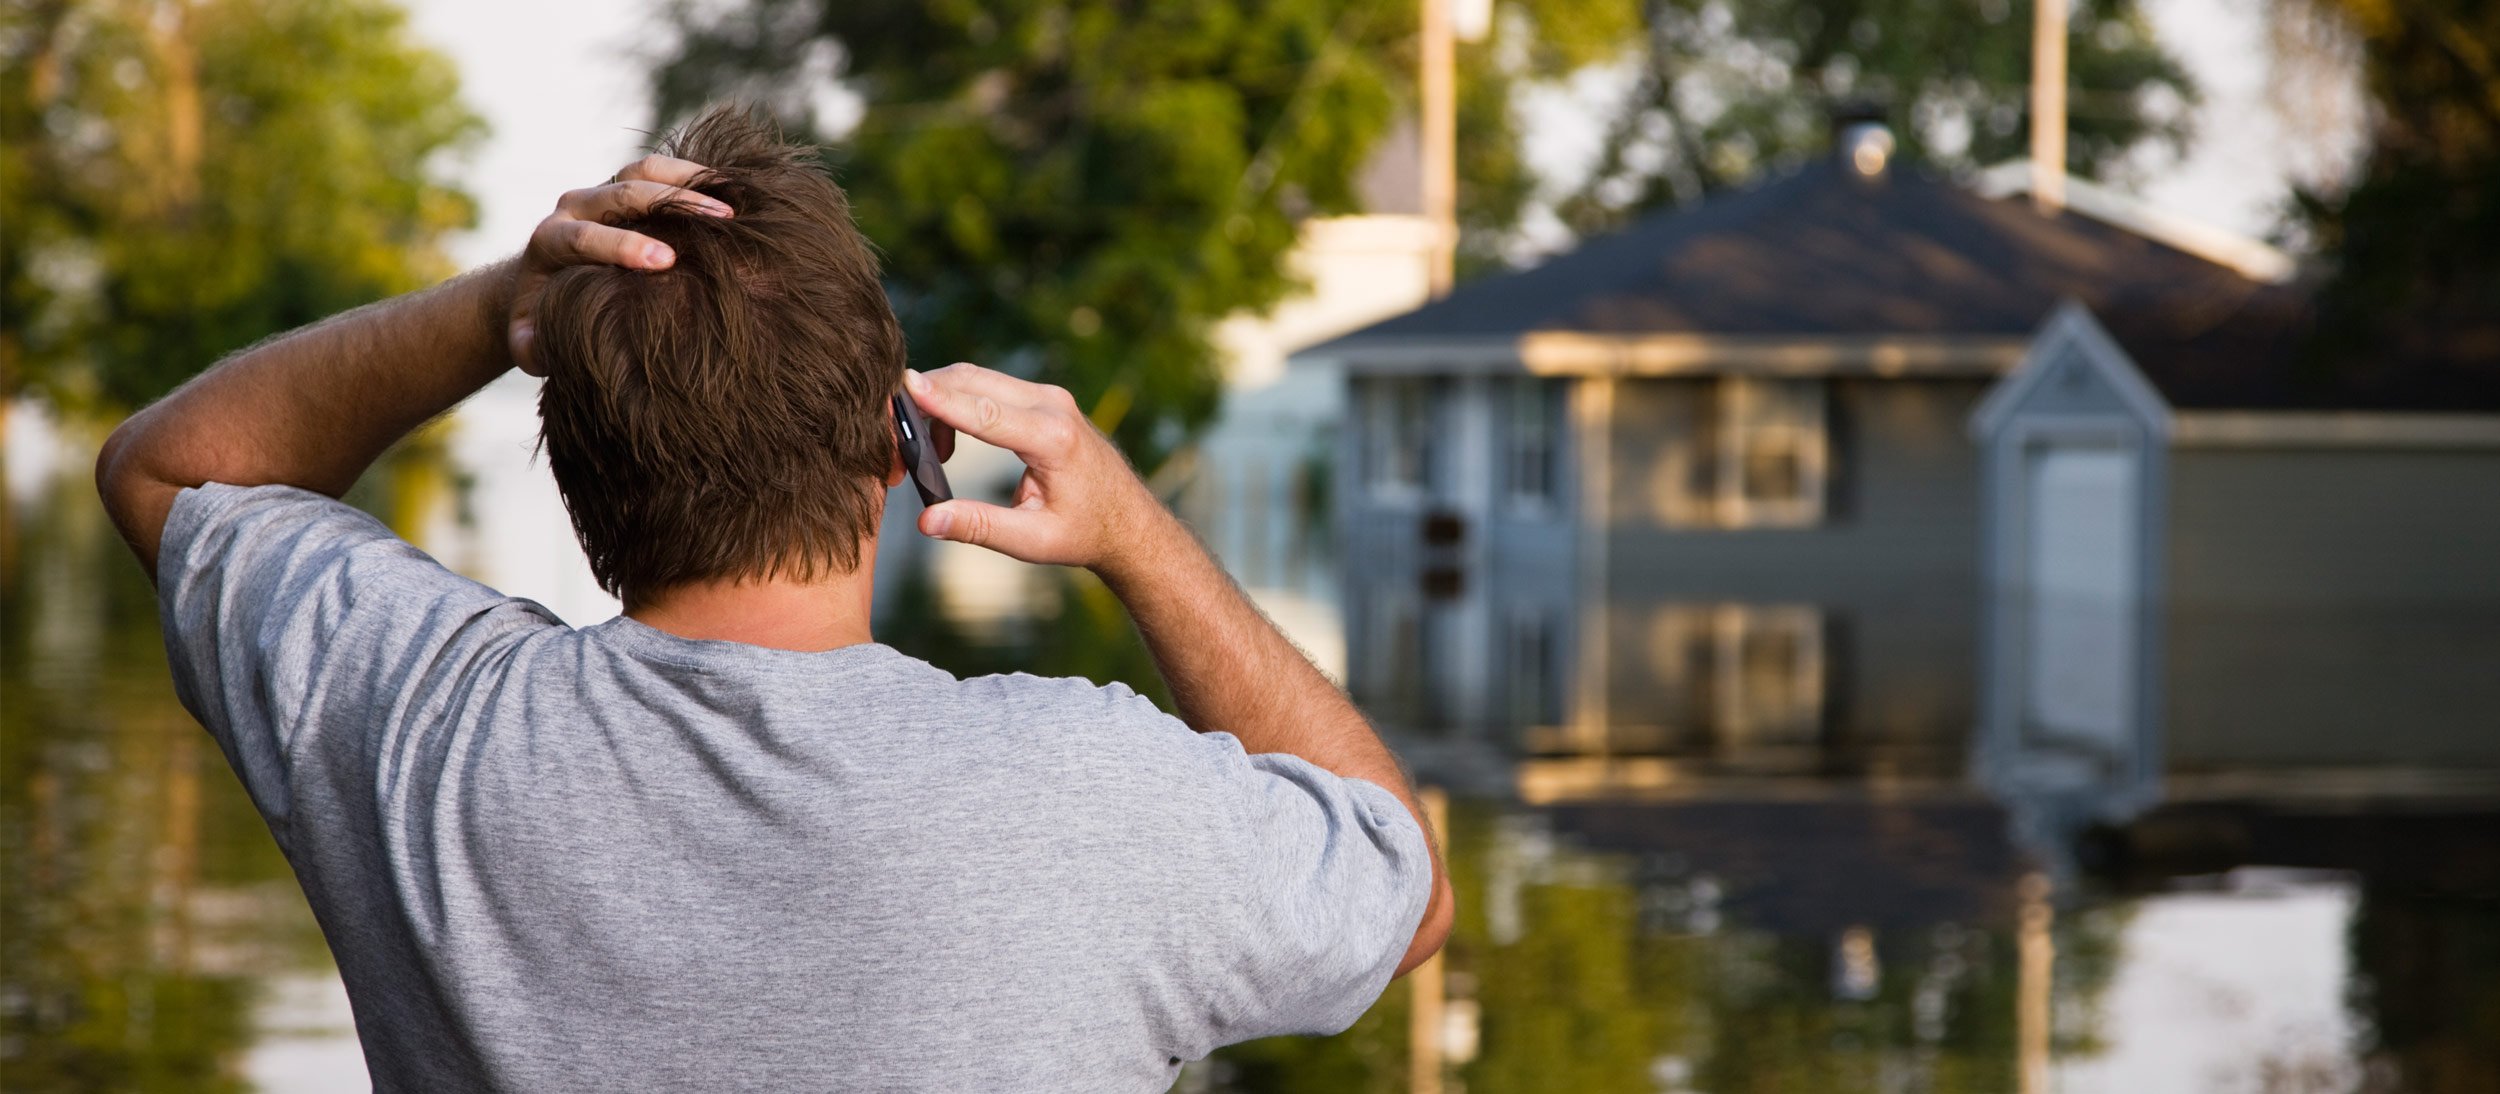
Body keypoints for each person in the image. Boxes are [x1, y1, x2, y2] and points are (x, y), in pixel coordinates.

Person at [94, 105, 1452, 1092]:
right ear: (901, 444)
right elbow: (1406, 889)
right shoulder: (1095, 790)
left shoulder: (421, 725)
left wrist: (507, 302)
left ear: (574, 472)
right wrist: (1137, 533)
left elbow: (164, 472)